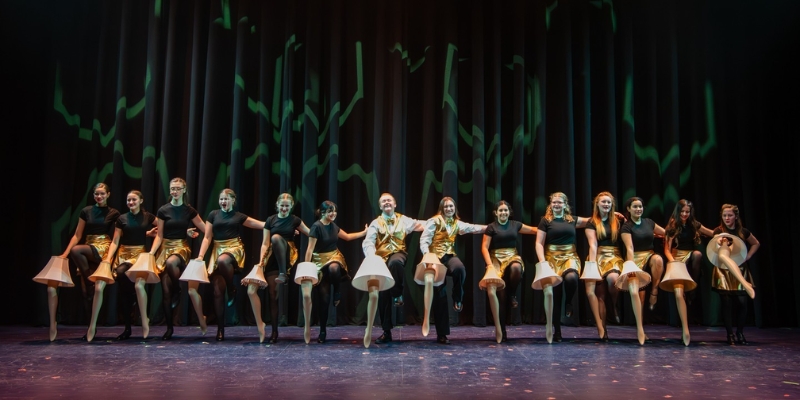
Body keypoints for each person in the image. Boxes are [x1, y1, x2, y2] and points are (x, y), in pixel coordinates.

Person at [36, 183, 119, 341]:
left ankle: (88, 278)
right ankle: (90, 328)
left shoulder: (113, 213)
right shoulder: (86, 211)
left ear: (108, 194)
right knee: (87, 294)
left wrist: (109, 258)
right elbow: (77, 235)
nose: (99, 197)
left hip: (102, 248)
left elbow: (116, 238)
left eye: (102, 194)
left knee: (77, 252)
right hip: (87, 249)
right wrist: (64, 254)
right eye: (96, 194)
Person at [196, 189, 264, 341]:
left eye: (226, 199)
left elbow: (260, 224)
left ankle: (232, 289)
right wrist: (201, 256)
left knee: (223, 260)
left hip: (234, 248)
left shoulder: (238, 216)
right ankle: (220, 329)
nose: (223, 202)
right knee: (217, 292)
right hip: (217, 249)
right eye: (221, 199)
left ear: (233, 200)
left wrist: (281, 226)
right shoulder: (213, 215)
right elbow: (207, 237)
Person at [243, 192, 309, 344]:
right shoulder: (270, 220)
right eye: (282, 206)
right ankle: (273, 330)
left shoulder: (295, 220)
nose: (284, 209)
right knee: (271, 295)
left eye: (287, 206)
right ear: (277, 205)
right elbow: (265, 243)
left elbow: (310, 233)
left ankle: (283, 272)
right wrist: (261, 262)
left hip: (286, 256)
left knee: (276, 238)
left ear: (291, 207)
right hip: (271, 257)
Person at [418, 197, 485, 343]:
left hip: (449, 257)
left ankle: (457, 298)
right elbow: (424, 240)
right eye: (446, 207)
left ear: (455, 208)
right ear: (442, 208)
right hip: (435, 258)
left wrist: (490, 228)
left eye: (451, 206)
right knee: (440, 294)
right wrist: (428, 256)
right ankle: (442, 334)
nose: (449, 209)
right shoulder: (434, 221)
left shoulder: (457, 223)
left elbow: (473, 228)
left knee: (460, 269)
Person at [534, 192, 597, 343]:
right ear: (551, 204)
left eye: (560, 202)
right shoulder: (545, 221)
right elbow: (538, 243)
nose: (557, 205)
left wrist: (611, 213)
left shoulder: (572, 220)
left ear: (565, 204)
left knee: (571, 278)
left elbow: (594, 220)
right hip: (551, 258)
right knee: (554, 294)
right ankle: (557, 331)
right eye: (554, 202)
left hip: (570, 256)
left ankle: (569, 301)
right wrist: (542, 261)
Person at [362, 193, 424, 344]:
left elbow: (420, 224)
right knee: (383, 295)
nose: (387, 202)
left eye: (389, 200)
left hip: (398, 253)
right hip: (381, 258)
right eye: (383, 201)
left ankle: (397, 294)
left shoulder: (403, 220)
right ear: (380, 206)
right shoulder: (375, 223)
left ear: (395, 204)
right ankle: (386, 331)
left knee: (395, 263)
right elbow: (368, 242)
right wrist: (372, 257)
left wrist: (437, 222)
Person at [149, 177, 207, 340]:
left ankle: (178, 290)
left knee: (172, 262)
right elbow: (159, 236)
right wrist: (152, 253)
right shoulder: (163, 210)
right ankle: (169, 328)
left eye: (177, 188)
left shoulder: (189, 210)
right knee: (165, 291)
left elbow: (205, 229)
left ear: (184, 190)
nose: (174, 191)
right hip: (165, 248)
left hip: (181, 247)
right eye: (172, 189)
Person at [303, 200, 367, 343]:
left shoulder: (333, 226)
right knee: (324, 300)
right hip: (319, 261)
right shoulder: (316, 227)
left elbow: (348, 237)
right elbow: (310, 249)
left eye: (334, 211)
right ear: (323, 212)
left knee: (334, 268)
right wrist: (308, 268)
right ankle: (323, 331)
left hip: (333, 257)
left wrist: (364, 232)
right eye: (330, 211)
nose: (333, 214)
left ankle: (337, 291)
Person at [99, 190, 157, 341]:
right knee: (121, 275)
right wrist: (108, 259)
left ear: (141, 201)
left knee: (134, 284)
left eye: (134, 200)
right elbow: (115, 241)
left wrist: (184, 231)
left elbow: (165, 228)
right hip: (124, 254)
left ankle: (141, 315)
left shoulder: (148, 217)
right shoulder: (122, 218)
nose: (131, 203)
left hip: (140, 255)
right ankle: (127, 327)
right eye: (128, 200)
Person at [480, 200, 537, 342]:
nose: (503, 213)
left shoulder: (515, 225)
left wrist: (549, 227)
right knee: (501, 297)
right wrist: (489, 265)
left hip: (512, 256)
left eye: (506, 210)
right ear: (496, 213)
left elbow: (534, 230)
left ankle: (513, 293)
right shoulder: (491, 227)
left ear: (509, 212)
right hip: (495, 260)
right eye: (501, 211)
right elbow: (484, 248)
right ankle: (502, 330)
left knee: (517, 268)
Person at [663, 199, 714, 345]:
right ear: (678, 211)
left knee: (698, 254)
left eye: (687, 212)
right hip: (676, 257)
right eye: (682, 211)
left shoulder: (694, 224)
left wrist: (725, 235)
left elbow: (711, 233)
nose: (685, 214)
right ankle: (684, 328)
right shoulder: (673, 226)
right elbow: (667, 249)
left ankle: (693, 287)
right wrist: (672, 261)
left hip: (690, 256)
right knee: (679, 293)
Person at [618, 196, 666, 344]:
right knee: (640, 297)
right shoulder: (626, 227)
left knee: (658, 260)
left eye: (640, 206)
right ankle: (641, 329)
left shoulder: (649, 222)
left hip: (649, 255)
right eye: (635, 207)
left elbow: (666, 233)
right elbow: (629, 248)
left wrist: (658, 235)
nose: (638, 209)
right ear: (628, 209)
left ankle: (655, 291)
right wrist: (631, 267)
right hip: (635, 259)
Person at [711, 204, 759, 345]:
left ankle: (740, 332)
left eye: (730, 215)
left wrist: (747, 256)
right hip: (723, 271)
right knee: (726, 303)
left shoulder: (743, 231)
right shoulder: (718, 231)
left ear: (736, 216)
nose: (727, 218)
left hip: (740, 269)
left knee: (743, 303)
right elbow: (716, 248)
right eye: (724, 215)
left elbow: (755, 243)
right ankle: (730, 334)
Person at [584, 191, 624, 342]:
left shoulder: (618, 221)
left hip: (614, 257)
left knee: (614, 280)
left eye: (609, 202)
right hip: (598, 257)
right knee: (600, 296)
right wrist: (592, 265)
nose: (606, 205)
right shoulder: (592, 222)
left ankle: (613, 305)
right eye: (603, 202)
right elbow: (593, 245)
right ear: (597, 205)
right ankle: (603, 330)